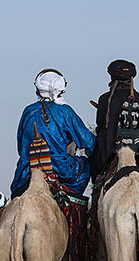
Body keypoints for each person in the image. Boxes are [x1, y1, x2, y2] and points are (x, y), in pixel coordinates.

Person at [10, 69, 95, 198]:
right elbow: (89, 142)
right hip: (60, 168)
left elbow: (21, 147)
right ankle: (71, 205)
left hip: (27, 171)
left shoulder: (28, 111)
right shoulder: (65, 112)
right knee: (85, 166)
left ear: (38, 89)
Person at [90, 59, 139, 184]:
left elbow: (101, 131)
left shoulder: (105, 99)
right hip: (138, 155)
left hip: (110, 155)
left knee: (96, 177)